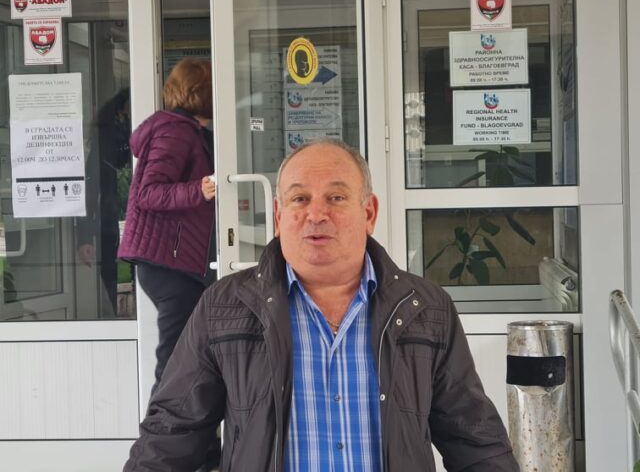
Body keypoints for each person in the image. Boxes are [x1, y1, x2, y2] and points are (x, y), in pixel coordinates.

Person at [124, 139, 519, 471]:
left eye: (336, 197)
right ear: (279, 216)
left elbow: (475, 441)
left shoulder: (425, 309)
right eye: (299, 198)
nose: (316, 214)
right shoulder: (225, 306)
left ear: (369, 213)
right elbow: (173, 431)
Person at [118, 59, 219, 469]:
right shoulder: (175, 131)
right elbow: (149, 193)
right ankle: (155, 458)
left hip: (176, 263)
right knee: (177, 365)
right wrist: (199, 190)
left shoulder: (189, 130)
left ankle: (202, 451)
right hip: (167, 264)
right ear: (203, 93)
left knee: (191, 359)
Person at [77, 87, 131, 317]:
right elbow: (90, 187)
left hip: (120, 215)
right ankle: (115, 319)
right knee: (111, 271)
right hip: (111, 217)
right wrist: (84, 237)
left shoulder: (125, 132)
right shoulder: (107, 136)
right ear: (122, 108)